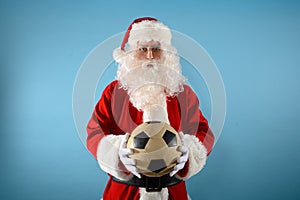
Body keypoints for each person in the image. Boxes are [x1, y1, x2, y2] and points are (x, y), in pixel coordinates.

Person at [86, 17, 214, 200]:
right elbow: (94, 131)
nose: (150, 56)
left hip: (172, 193)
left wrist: (191, 151)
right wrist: (115, 152)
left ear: (166, 54)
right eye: (142, 49)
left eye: (156, 49)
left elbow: (203, 131)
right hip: (125, 194)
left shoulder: (182, 93)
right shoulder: (114, 92)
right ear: (130, 54)